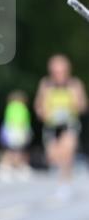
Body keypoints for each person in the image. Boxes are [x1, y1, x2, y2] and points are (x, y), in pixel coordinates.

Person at [34, 54, 87, 195]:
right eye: (56, 71)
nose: (59, 74)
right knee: (53, 155)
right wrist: (43, 113)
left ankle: (65, 183)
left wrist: (76, 103)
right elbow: (38, 105)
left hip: (69, 123)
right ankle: (61, 174)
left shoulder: (74, 84)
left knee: (67, 151)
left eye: (62, 71)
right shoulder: (46, 84)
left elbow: (83, 106)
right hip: (51, 125)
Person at [0, 90, 32, 180]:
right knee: (17, 150)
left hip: (11, 131)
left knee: (12, 150)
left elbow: (7, 121)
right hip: (17, 131)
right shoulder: (21, 108)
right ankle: (12, 168)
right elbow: (24, 122)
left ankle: (9, 168)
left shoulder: (10, 107)